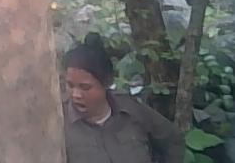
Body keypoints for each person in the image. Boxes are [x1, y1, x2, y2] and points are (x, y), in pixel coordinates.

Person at [63, 32, 183, 163]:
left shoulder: (131, 109)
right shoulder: (59, 123)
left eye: (85, 87)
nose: (76, 94)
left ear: (106, 83)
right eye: (70, 85)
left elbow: (173, 140)